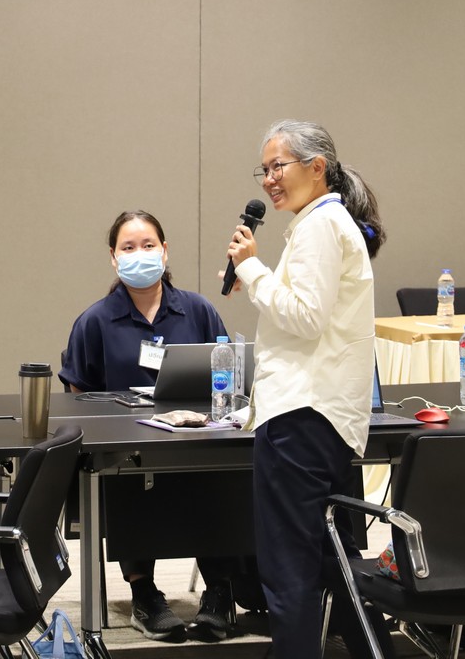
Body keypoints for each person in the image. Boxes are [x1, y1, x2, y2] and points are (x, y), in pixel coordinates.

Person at [225, 119, 391, 659]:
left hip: (302, 416)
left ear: (317, 168)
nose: (269, 180)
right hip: (318, 416)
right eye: (264, 170)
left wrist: (252, 270)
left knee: (288, 569)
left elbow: (304, 318)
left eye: (278, 166)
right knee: (327, 555)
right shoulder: (323, 222)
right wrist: (259, 274)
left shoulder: (321, 225)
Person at [60, 210, 241, 642]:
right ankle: (144, 593)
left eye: (148, 245)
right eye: (128, 247)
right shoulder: (94, 321)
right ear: (113, 257)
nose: (138, 253)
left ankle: (220, 591)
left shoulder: (198, 310)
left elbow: (229, 373)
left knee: (226, 471)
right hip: (130, 448)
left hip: (196, 440)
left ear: (164, 250)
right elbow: (76, 395)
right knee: (130, 475)